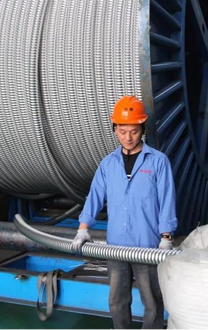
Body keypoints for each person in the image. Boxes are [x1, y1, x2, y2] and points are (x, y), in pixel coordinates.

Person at [72, 95, 177, 329]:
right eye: (122, 131)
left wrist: (166, 236)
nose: (127, 138)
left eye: (134, 132)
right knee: (117, 301)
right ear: (115, 130)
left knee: (152, 302)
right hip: (116, 245)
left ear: (143, 130)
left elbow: (167, 199)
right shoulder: (108, 164)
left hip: (147, 245)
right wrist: (83, 228)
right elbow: (95, 195)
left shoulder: (158, 162)